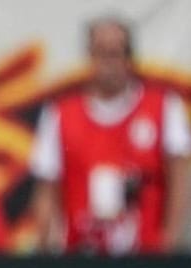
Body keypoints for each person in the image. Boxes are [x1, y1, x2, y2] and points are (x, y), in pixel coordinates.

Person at [30, 17, 191, 254]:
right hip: (80, 253)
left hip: (148, 253)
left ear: (129, 59)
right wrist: (48, 247)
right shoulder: (60, 114)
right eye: (102, 53)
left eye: (116, 53)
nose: (109, 63)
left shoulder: (163, 106)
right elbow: (47, 190)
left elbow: (181, 178)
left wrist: (170, 243)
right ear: (90, 57)